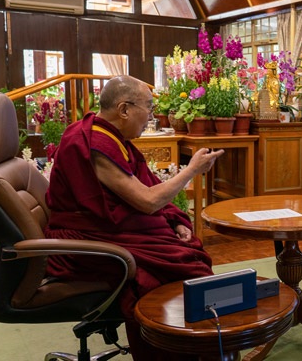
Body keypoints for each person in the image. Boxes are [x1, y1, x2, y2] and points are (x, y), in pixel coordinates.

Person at [44, 75, 225, 361]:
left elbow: (147, 186)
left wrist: (175, 219)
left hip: (110, 230)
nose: (152, 116)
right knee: (180, 270)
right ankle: (175, 352)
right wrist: (191, 171)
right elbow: (147, 200)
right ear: (124, 109)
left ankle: (191, 348)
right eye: (149, 107)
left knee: (185, 255)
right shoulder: (95, 143)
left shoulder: (112, 137)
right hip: (87, 241)